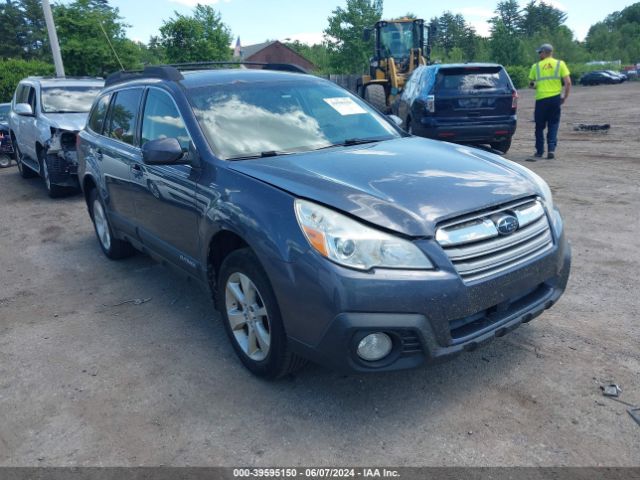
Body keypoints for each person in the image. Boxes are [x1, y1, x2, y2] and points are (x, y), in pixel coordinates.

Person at [527, 44, 571, 161]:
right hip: (555, 99)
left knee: (539, 126)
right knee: (553, 124)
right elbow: (568, 82)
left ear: (544, 53)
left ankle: (539, 151)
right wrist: (564, 97)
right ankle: (551, 149)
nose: (539, 55)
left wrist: (534, 85)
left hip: (541, 100)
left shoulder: (536, 66)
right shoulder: (560, 64)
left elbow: (531, 84)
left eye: (539, 52)